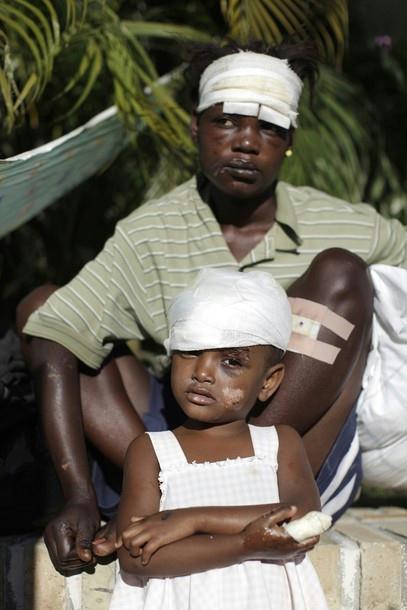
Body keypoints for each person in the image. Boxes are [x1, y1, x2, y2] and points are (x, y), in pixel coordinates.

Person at [17, 41, 407, 574]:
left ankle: (211, 490)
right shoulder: (152, 231)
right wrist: (78, 495)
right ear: (195, 128)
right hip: (176, 437)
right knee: (48, 310)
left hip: (292, 466)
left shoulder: (343, 224)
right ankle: (160, 487)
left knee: (342, 270)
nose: (246, 142)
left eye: (269, 128)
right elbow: (55, 331)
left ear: (289, 143)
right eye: (225, 122)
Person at [109, 267, 330, 610]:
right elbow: (135, 556)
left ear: (268, 381)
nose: (202, 372)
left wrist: (190, 520)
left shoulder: (279, 444)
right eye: (190, 351)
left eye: (230, 361)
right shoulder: (151, 451)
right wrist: (244, 544)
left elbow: (303, 518)